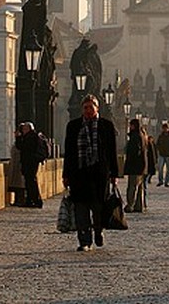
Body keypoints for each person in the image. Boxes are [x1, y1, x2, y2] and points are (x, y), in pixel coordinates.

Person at [63, 95, 119, 251]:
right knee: (81, 209)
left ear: (97, 108)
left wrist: (114, 174)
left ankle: (98, 230)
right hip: (79, 174)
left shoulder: (106, 126)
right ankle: (84, 240)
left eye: (91, 107)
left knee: (98, 208)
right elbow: (69, 152)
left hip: (99, 175)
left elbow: (111, 152)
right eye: (85, 107)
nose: (88, 110)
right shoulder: (73, 126)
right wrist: (66, 175)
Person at [16, 122, 43, 208]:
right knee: (31, 181)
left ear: (28, 129)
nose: (22, 131)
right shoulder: (33, 136)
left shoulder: (30, 137)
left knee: (30, 181)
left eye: (24, 129)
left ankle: (34, 200)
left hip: (30, 162)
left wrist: (18, 138)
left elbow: (21, 147)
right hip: (32, 162)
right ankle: (32, 200)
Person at [123, 118, 147, 212]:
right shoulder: (142, 135)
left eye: (131, 125)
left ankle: (130, 205)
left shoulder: (135, 136)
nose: (130, 126)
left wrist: (129, 161)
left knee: (132, 186)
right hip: (141, 165)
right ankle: (139, 206)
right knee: (139, 186)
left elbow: (135, 151)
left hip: (135, 165)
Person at [7, 126, 25, 206]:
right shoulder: (20, 141)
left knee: (19, 184)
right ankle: (18, 200)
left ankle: (20, 200)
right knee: (18, 184)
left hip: (18, 166)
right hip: (16, 165)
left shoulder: (21, 141)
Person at [155, 121, 169, 187]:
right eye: (164, 128)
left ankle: (167, 182)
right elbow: (157, 144)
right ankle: (160, 181)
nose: (165, 129)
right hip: (162, 154)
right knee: (160, 169)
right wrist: (160, 150)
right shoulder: (160, 136)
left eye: (166, 128)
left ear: (168, 128)